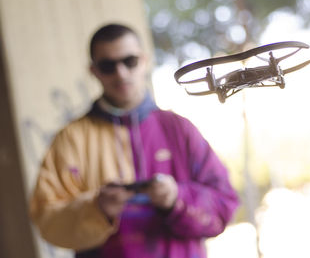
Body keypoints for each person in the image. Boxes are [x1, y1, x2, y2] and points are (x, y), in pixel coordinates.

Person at [29, 23, 239, 258]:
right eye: (108, 65)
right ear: (93, 70)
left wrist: (176, 198)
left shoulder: (179, 129)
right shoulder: (71, 139)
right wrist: (97, 209)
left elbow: (225, 204)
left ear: (144, 60)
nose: (121, 73)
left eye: (129, 61)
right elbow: (46, 219)